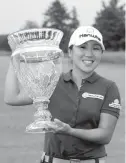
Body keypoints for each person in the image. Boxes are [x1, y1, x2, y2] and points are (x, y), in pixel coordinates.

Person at [4, 26, 122, 163]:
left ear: (101, 53)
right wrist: (15, 58)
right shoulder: (52, 81)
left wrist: (70, 131)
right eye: (83, 47)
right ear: (70, 52)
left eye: (96, 48)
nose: (89, 54)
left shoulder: (108, 87)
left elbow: (105, 135)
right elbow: (12, 97)